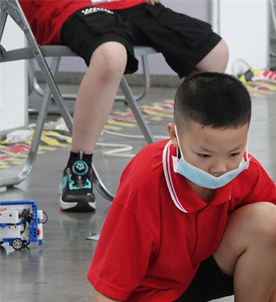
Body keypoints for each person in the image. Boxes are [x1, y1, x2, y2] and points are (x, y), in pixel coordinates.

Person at [87, 72, 276, 302]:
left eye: (234, 153)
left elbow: (275, 249)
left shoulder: (245, 171)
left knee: (269, 220)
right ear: (174, 135)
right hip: (153, 288)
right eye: (204, 155)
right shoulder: (145, 182)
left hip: (205, 265)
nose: (220, 168)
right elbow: (107, 278)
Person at [19, 0, 229, 212]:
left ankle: (189, 157)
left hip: (126, 4)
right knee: (111, 55)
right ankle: (79, 166)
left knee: (214, 53)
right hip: (67, 5)